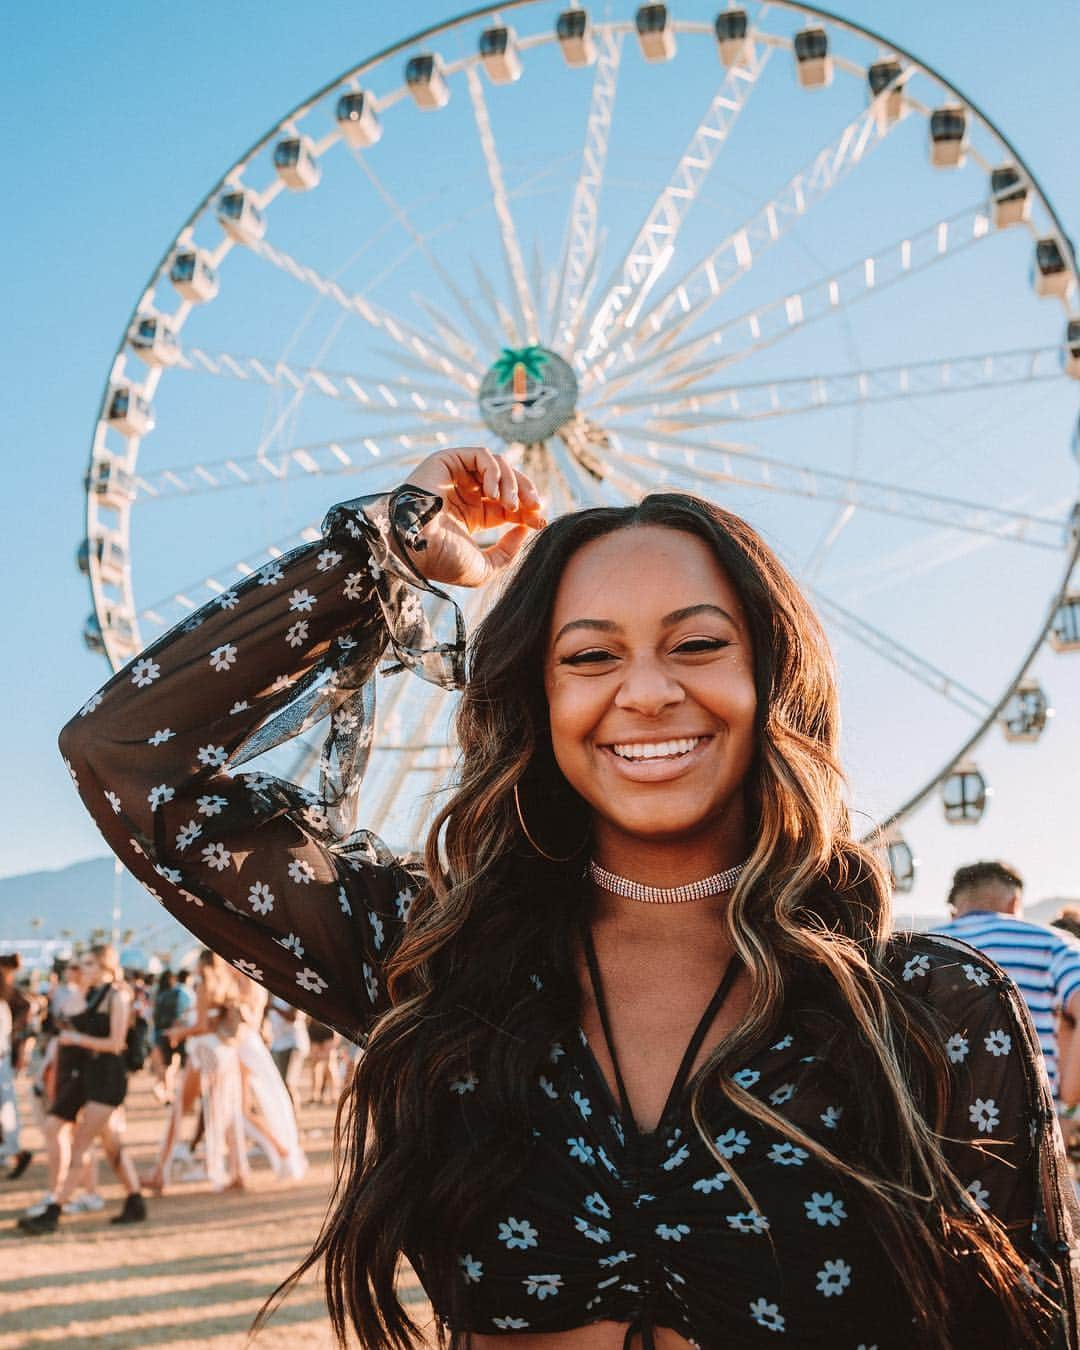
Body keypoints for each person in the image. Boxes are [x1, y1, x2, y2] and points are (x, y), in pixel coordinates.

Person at [58, 446, 1079, 1348]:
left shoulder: (931, 1009)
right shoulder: (436, 963)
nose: (644, 692)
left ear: (776, 676)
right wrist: (388, 549)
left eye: (697, 645)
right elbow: (128, 757)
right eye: (590, 656)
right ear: (535, 699)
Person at [17, 945, 146, 1233]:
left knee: (81, 1144)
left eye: (88, 963)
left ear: (104, 966)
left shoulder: (118, 996)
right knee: (112, 1144)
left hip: (108, 1078)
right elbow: (67, 1016)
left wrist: (77, 1038)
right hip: (92, 1077)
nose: (81, 969)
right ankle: (135, 1199)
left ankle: (54, 1211)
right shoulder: (91, 994)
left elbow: (116, 1043)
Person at [934, 861, 1080, 1101]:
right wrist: (1068, 1096)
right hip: (1029, 1122)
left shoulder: (916, 948)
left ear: (955, 910)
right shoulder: (1053, 945)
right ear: (1014, 903)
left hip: (931, 1122)